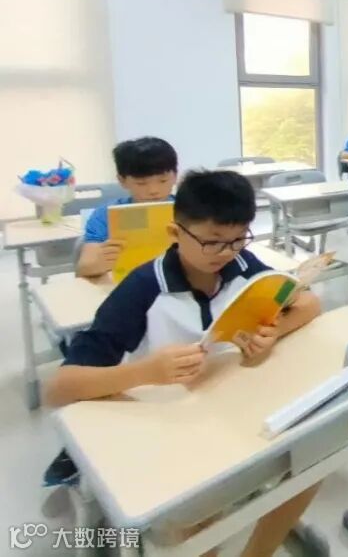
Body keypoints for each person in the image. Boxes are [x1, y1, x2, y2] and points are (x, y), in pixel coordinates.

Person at [45, 170, 322, 556]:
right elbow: (58, 388)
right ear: (175, 233)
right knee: (201, 510)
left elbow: (308, 302)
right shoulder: (143, 288)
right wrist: (146, 372)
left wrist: (274, 332)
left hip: (226, 406)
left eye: (238, 239)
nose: (225, 253)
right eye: (212, 242)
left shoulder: (241, 263)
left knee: (312, 457)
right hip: (164, 421)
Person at [77, 137, 178, 279]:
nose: (153, 190)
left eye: (163, 181)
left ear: (175, 176)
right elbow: (84, 268)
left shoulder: (192, 209)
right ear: (122, 180)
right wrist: (99, 262)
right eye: (141, 183)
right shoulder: (106, 215)